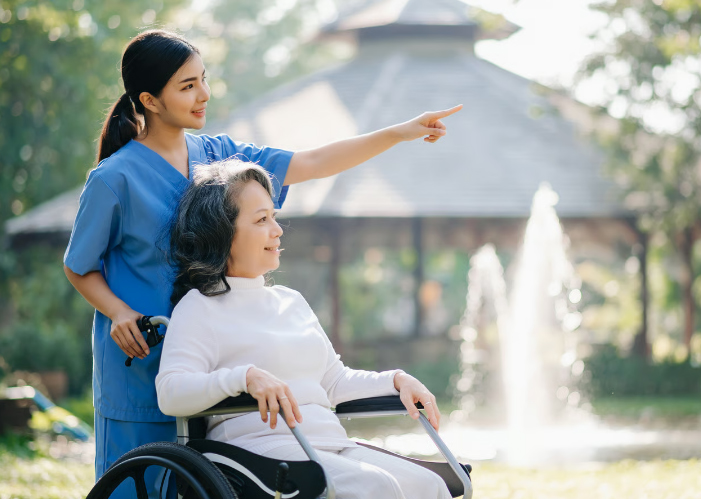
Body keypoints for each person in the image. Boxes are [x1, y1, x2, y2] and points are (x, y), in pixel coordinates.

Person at [62, 28, 461, 495]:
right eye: (187, 86)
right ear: (149, 99)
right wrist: (118, 311)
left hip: (225, 348)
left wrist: (399, 132)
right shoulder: (114, 179)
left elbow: (310, 162)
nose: (203, 94)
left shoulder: (217, 157)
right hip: (145, 354)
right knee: (140, 486)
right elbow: (79, 264)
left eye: (202, 79)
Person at [156, 159, 450, 499]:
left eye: (274, 217)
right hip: (258, 457)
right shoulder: (200, 306)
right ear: (223, 232)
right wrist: (244, 377)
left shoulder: (290, 301)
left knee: (431, 486)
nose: (277, 230)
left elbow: (334, 382)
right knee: (377, 487)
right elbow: (171, 392)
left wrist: (395, 380)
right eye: (261, 220)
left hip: (328, 445)